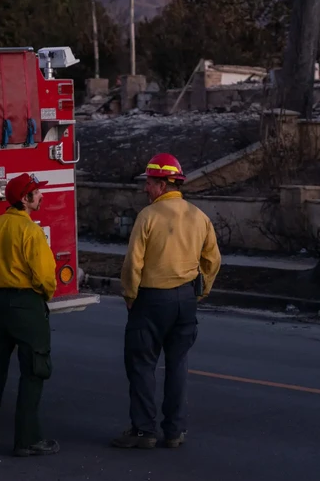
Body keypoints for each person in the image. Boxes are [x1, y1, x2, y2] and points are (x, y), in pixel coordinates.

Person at [110, 153, 222, 450]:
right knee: (178, 364)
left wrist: (130, 295)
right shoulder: (198, 216)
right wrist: (200, 292)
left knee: (142, 365)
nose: (145, 188)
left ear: (162, 184)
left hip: (151, 299)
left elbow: (132, 263)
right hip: (185, 299)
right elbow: (212, 260)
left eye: (148, 182)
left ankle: (144, 431)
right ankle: (174, 431)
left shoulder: (148, 216)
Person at [0, 172, 59, 457]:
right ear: (25, 199)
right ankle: (27, 439)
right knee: (34, 369)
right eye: (36, 192)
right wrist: (42, 297)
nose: (41, 196)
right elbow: (45, 276)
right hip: (26, 304)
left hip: (0, 303)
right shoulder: (30, 231)